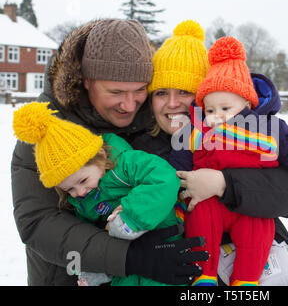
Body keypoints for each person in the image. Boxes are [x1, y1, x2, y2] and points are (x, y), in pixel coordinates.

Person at [11, 19, 208, 286]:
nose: (129, 105)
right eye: (116, 92)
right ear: (86, 82)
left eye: (140, 90)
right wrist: (127, 257)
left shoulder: (156, 114)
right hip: (66, 276)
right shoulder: (48, 128)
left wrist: (225, 184)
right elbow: (39, 222)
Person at [131, 20, 288, 285]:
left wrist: (224, 183)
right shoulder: (138, 148)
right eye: (161, 93)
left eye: (185, 91)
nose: (173, 103)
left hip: (253, 264)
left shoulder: (251, 131)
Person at [169, 36, 288, 286]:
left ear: (246, 103)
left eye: (225, 108)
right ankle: (204, 274)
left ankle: (246, 279)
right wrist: (175, 181)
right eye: (210, 110)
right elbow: (177, 162)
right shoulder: (196, 131)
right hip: (209, 204)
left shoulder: (265, 128)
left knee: (259, 228)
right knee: (201, 217)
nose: (216, 116)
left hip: (251, 206)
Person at [13, 102, 186, 286]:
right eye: (69, 189)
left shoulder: (125, 165)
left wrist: (131, 218)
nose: (78, 192)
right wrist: (94, 270)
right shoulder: (82, 202)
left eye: (83, 181)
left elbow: (164, 178)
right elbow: (92, 239)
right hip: (126, 268)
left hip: (164, 245)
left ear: (101, 156)